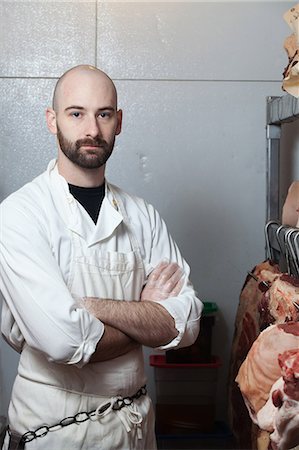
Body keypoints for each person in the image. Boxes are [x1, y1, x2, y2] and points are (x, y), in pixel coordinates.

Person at [0, 65, 202, 450]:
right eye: (76, 113)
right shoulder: (19, 214)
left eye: (103, 114)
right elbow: (64, 342)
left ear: (118, 122)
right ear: (51, 120)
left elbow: (187, 323)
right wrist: (146, 316)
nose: (91, 129)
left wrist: (90, 307)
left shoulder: (143, 215)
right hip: (54, 432)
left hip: (135, 429)